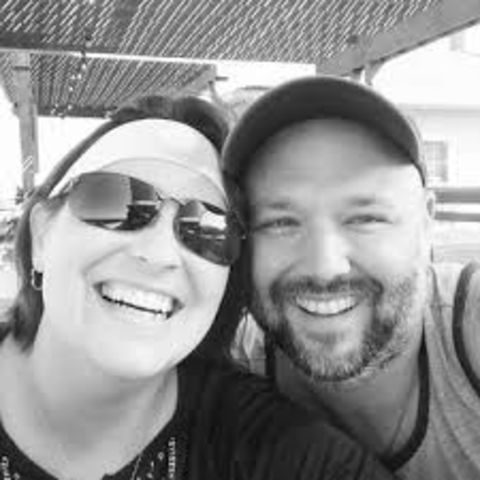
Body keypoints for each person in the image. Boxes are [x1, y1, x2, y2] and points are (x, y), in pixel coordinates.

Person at [0, 94, 392, 480]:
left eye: (208, 228)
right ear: (42, 235)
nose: (158, 254)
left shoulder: (279, 452)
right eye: (114, 199)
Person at [224, 75, 480, 480]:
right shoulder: (233, 371)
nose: (324, 267)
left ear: (426, 221)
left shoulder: (470, 327)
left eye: (366, 218)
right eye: (280, 222)